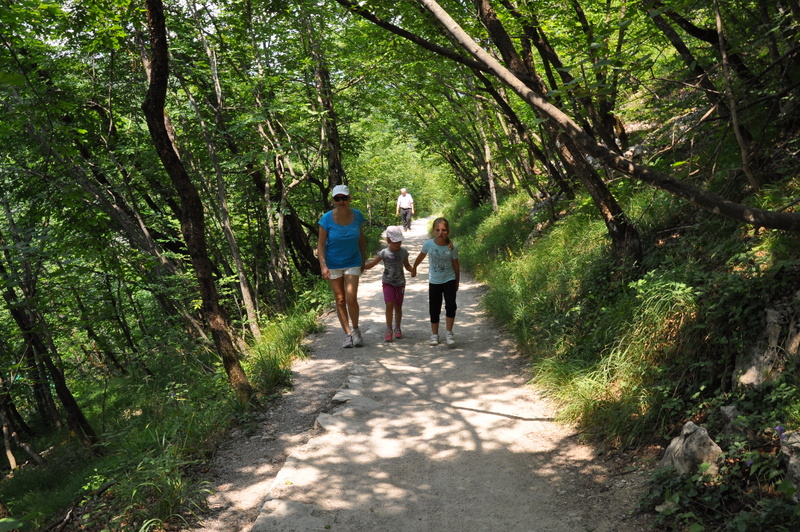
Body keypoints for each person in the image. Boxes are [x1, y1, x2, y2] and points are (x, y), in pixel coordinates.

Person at [318, 184, 367, 348]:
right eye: (337, 198)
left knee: (351, 298)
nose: (341, 201)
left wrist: (363, 259)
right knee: (340, 300)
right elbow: (321, 245)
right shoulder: (326, 219)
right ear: (333, 200)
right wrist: (323, 266)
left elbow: (361, 239)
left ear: (349, 198)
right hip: (333, 263)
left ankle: (356, 330)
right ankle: (347, 334)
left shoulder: (357, 216)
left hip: (353, 260)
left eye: (344, 198)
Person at [411, 217, 460, 347]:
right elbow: (421, 256)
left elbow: (456, 265)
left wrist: (457, 282)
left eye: (443, 230)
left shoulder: (453, 247)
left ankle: (449, 333)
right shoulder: (428, 244)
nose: (440, 233)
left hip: (449, 279)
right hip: (434, 281)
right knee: (434, 308)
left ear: (448, 231)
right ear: (433, 231)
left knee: (451, 305)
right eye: (437, 230)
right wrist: (414, 267)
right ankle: (434, 335)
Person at [363, 226, 413, 342]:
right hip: (388, 282)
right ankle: (389, 329)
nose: (398, 244)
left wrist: (412, 270)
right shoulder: (384, 253)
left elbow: (407, 265)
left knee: (398, 306)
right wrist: (362, 267)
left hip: (400, 283)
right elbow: (372, 264)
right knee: (389, 304)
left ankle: (397, 328)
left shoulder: (403, 252)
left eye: (399, 241)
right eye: (395, 241)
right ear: (388, 241)